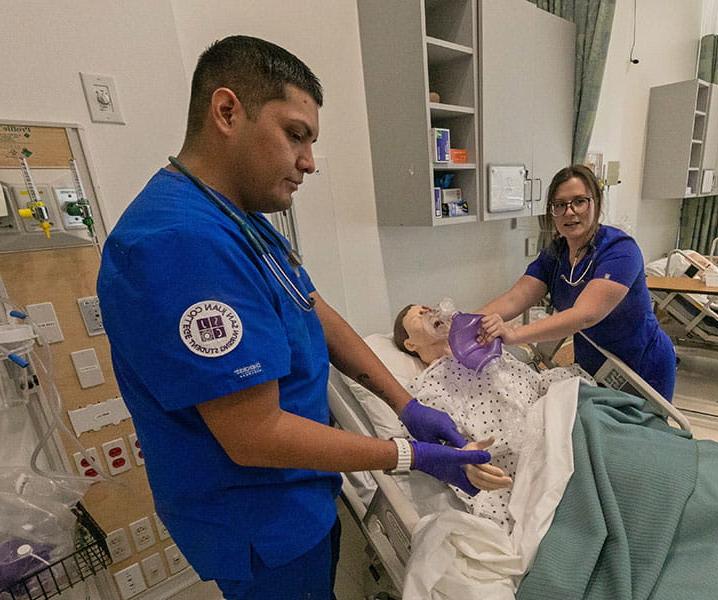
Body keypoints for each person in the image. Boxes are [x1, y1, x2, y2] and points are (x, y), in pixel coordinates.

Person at [96, 36, 490, 600]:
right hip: (258, 516)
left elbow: (313, 307)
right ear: (227, 111)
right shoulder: (180, 244)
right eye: (295, 135)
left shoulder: (239, 216)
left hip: (299, 494)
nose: (309, 161)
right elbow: (255, 436)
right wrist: (409, 455)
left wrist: (408, 405)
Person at [477, 164, 677, 400]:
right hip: (591, 366)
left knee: (641, 433)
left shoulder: (620, 251)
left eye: (579, 201)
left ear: (596, 203)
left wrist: (513, 334)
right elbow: (515, 298)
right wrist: (465, 323)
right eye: (560, 205)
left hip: (641, 366)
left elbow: (585, 315)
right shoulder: (555, 255)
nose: (569, 212)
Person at [394, 304, 593, 530]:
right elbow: (446, 449)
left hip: (561, 421)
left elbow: (536, 382)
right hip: (524, 463)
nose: (427, 311)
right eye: (417, 315)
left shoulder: (487, 349)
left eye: (427, 306)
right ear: (410, 344)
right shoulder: (425, 390)